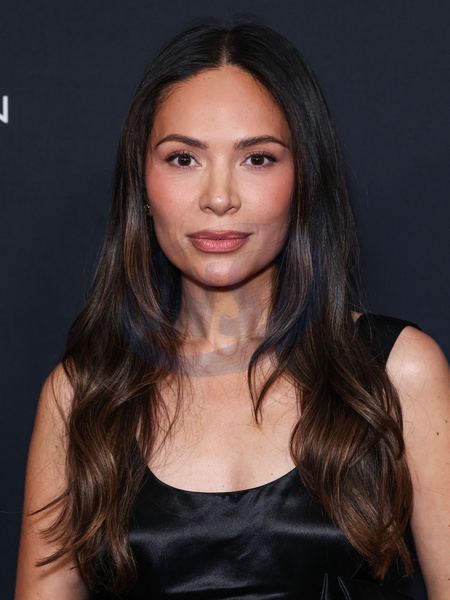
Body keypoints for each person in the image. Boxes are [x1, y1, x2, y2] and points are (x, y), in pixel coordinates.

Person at [15, 21, 450, 600]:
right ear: (142, 182)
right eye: (183, 159)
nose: (219, 197)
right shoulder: (82, 395)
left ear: (304, 178)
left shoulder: (397, 373)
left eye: (258, 158)